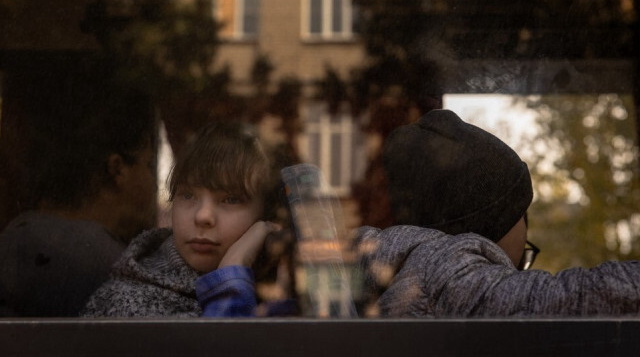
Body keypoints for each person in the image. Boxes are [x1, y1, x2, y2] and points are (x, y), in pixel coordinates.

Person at [353, 109, 640, 317]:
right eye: (520, 215)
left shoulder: (408, 270)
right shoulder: (444, 277)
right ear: (483, 233)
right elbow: (575, 300)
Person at [0, 63, 157, 317]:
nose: (153, 182)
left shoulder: (15, 237)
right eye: (148, 164)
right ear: (117, 169)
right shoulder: (101, 266)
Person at [82, 121, 283, 317]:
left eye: (230, 199)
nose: (203, 216)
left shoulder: (285, 292)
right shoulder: (127, 306)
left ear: (266, 213)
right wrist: (231, 276)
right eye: (187, 195)